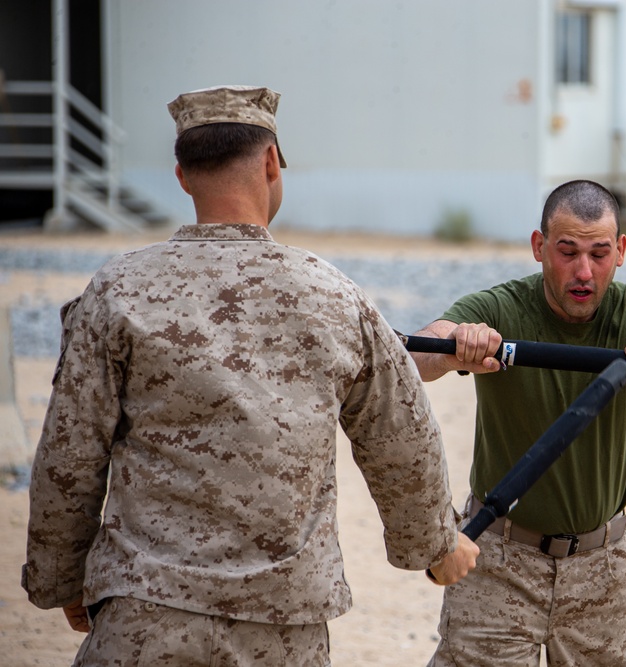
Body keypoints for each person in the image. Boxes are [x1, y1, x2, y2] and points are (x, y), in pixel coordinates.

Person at [21, 84, 478, 666]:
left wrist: (61, 579)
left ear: (183, 176)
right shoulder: (333, 296)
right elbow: (400, 439)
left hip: (145, 611)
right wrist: (436, 547)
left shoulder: (117, 292)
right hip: (283, 622)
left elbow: (68, 453)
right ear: (270, 163)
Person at [410, 179, 626, 666]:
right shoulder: (499, 308)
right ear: (539, 247)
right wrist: (459, 343)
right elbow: (416, 356)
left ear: (621, 250)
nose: (583, 271)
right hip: (498, 558)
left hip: (602, 567)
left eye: (599, 253)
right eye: (567, 252)